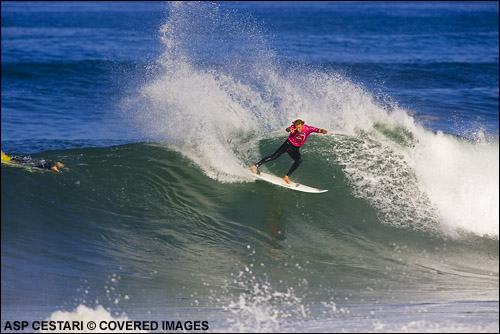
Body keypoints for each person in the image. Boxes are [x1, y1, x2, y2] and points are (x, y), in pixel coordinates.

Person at [250, 119, 327, 184]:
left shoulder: (308, 128)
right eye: (297, 128)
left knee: (299, 160)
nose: (298, 130)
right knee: (274, 156)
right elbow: (287, 129)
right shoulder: (293, 127)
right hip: (288, 144)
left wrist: (322, 131)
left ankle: (286, 176)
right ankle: (255, 166)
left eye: (299, 128)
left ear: (303, 125)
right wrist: (290, 129)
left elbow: (317, 130)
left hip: (295, 149)